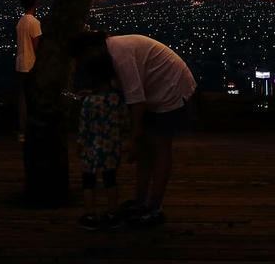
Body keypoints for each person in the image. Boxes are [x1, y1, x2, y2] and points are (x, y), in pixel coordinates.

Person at [70, 31, 197, 228]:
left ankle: (154, 206)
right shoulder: (111, 51)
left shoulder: (119, 55)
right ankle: (142, 201)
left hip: (171, 87)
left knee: (160, 146)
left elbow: (136, 100)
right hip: (157, 88)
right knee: (147, 147)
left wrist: (133, 137)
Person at [76, 52, 128, 231]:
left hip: (90, 149)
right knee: (110, 179)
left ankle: (90, 214)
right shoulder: (116, 100)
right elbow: (123, 122)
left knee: (88, 181)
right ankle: (112, 212)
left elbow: (83, 127)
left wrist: (80, 145)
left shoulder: (88, 102)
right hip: (111, 148)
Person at [14, 0, 42, 142]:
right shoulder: (34, 22)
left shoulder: (21, 21)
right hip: (30, 64)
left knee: (22, 99)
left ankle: (22, 131)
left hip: (20, 63)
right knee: (32, 99)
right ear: (35, 2)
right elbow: (37, 46)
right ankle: (32, 130)